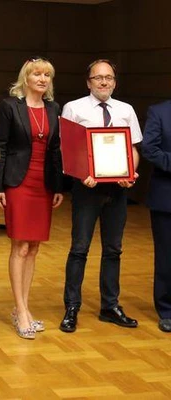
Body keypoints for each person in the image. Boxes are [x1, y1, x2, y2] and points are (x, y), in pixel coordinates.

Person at [59, 59, 142, 333]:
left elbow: (132, 149)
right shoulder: (74, 108)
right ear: (88, 82)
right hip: (87, 188)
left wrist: (131, 172)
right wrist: (81, 173)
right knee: (79, 248)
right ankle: (72, 307)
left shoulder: (125, 110)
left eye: (108, 78)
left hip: (117, 189)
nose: (103, 82)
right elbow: (68, 150)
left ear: (115, 82)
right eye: (98, 78)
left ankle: (110, 306)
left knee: (114, 249)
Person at [0, 57, 64, 340]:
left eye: (47, 75)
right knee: (20, 246)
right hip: (18, 182)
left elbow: (56, 149)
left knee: (34, 247)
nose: (42, 79)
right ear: (26, 78)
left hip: (43, 184)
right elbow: (2, 146)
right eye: (37, 74)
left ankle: (23, 306)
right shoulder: (11, 106)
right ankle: (21, 311)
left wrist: (58, 186)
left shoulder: (54, 108)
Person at [141, 101, 171, 332]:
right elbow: (149, 149)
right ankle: (167, 310)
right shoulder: (158, 111)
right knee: (166, 257)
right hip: (166, 198)